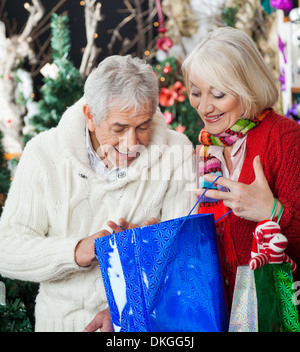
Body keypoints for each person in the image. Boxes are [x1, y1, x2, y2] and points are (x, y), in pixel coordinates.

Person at [0, 55, 196, 332]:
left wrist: (147, 248)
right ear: (90, 116)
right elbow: (5, 249)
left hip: (143, 327)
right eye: (119, 128)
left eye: (142, 127)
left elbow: (186, 258)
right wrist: (77, 251)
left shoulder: (177, 153)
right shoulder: (43, 153)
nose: (131, 143)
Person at [181, 26, 300, 307]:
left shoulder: (285, 138)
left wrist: (273, 212)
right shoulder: (207, 147)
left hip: (276, 309)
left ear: (248, 88)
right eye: (196, 92)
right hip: (224, 310)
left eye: (218, 95)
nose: (204, 107)